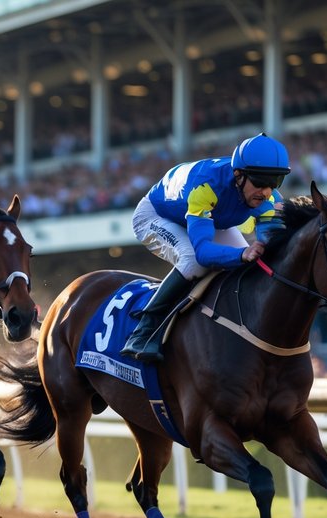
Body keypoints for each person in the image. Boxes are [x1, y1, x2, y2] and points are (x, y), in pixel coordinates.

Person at [120, 133, 291, 361]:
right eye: (260, 182)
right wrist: (242, 253)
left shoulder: (268, 198)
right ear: (238, 175)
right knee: (193, 260)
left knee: (248, 268)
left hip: (213, 218)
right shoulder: (207, 185)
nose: (266, 191)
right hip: (157, 216)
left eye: (275, 182)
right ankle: (144, 331)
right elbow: (203, 253)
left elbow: (270, 246)